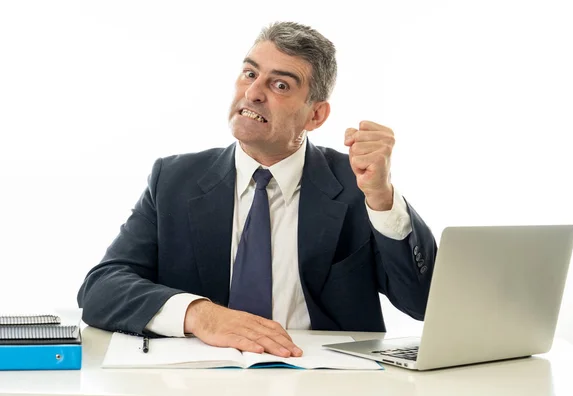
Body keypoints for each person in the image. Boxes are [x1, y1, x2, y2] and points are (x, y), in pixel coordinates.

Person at [77, 21, 437, 359]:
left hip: (326, 379)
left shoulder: (357, 183)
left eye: (280, 85)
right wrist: (200, 315)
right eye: (250, 74)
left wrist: (381, 198)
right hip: (199, 380)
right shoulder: (173, 179)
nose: (252, 92)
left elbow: (423, 304)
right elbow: (101, 289)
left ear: (316, 116)